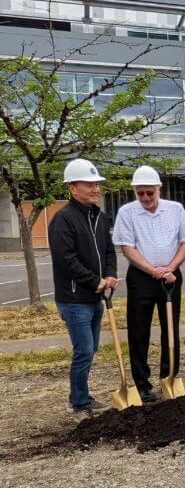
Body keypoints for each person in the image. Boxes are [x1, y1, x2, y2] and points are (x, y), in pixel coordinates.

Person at [111, 166, 185, 402]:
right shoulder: (127, 213)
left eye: (150, 192)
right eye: (141, 194)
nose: (146, 198)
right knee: (139, 330)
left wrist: (170, 268)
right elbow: (127, 248)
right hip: (141, 277)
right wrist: (153, 270)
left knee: (171, 328)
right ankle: (142, 383)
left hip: (171, 276)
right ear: (135, 192)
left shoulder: (175, 210)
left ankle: (169, 375)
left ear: (159, 189)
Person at [49, 159, 118, 420]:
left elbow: (109, 250)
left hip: (95, 297)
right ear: (72, 188)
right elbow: (66, 260)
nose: (95, 189)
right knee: (84, 351)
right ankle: (78, 405)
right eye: (88, 184)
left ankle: (83, 397)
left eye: (96, 184)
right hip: (74, 298)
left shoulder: (99, 216)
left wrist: (110, 275)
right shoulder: (63, 219)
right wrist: (94, 280)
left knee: (90, 350)